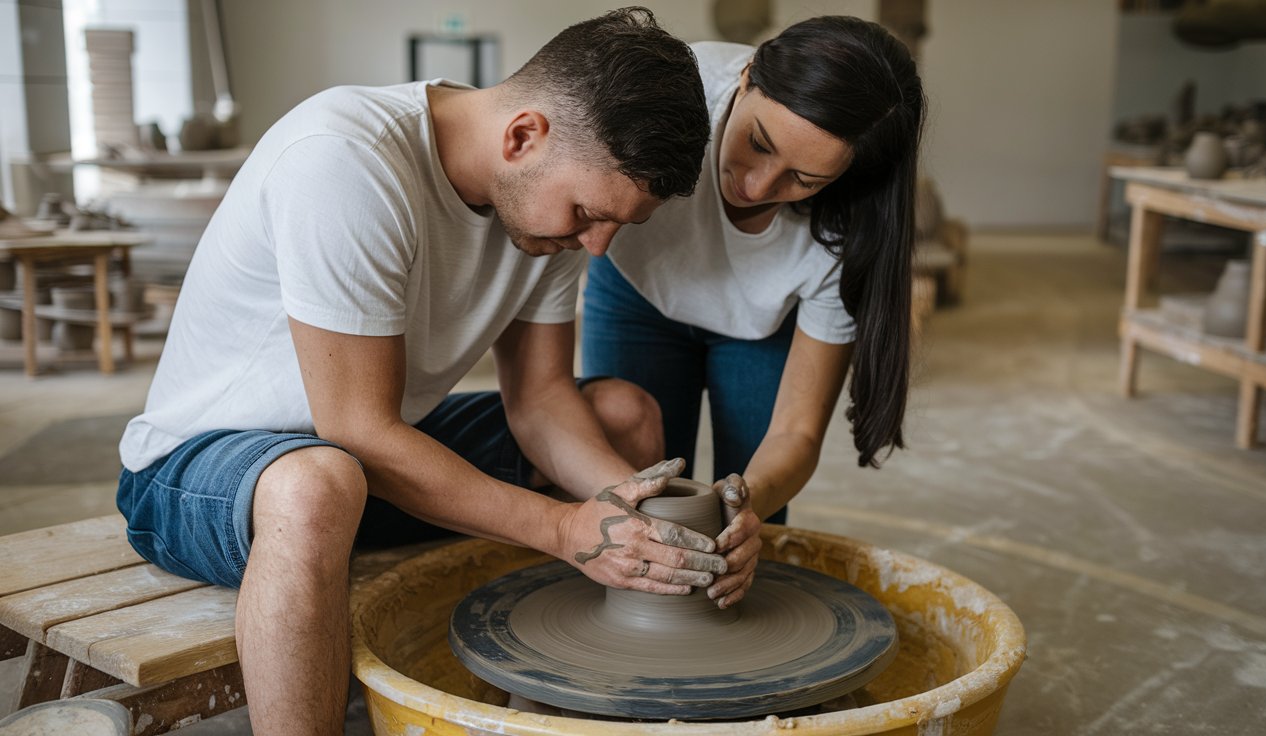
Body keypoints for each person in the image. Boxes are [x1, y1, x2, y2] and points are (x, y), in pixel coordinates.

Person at [116, 9, 723, 735]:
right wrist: (565, 530)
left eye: (617, 224)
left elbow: (540, 398)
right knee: (318, 482)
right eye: (589, 213)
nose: (597, 246)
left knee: (623, 414)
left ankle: (572, 696)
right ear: (524, 135)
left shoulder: (547, 215)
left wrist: (639, 521)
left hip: (361, 469)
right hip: (201, 476)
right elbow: (357, 430)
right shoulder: (346, 158)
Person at [581, 16, 926, 606]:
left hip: (761, 324)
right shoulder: (665, 92)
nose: (758, 184)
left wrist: (751, 505)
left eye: (804, 179)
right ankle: (636, 631)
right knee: (636, 486)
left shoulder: (849, 231)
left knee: (744, 512)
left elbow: (795, 431)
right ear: (744, 79)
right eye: (758, 143)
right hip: (636, 289)